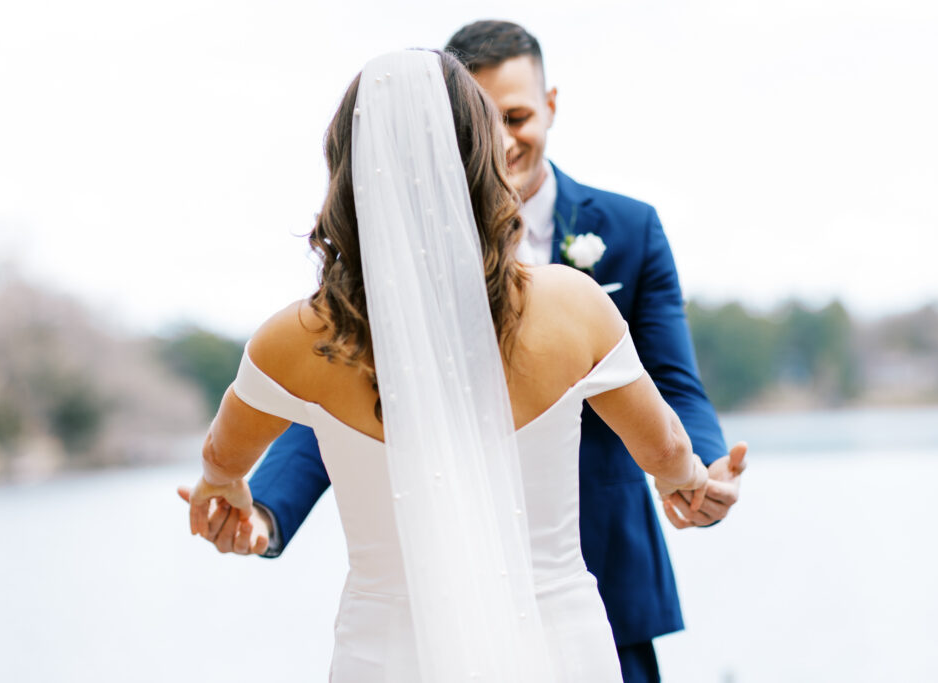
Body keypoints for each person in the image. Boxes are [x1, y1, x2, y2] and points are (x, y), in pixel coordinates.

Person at [180, 21, 748, 683]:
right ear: (475, 150)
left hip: (398, 645)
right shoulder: (577, 303)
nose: (508, 139)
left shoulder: (303, 334)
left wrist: (222, 486)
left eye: (518, 115)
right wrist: (685, 477)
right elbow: (666, 445)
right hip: (558, 634)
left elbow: (230, 450)